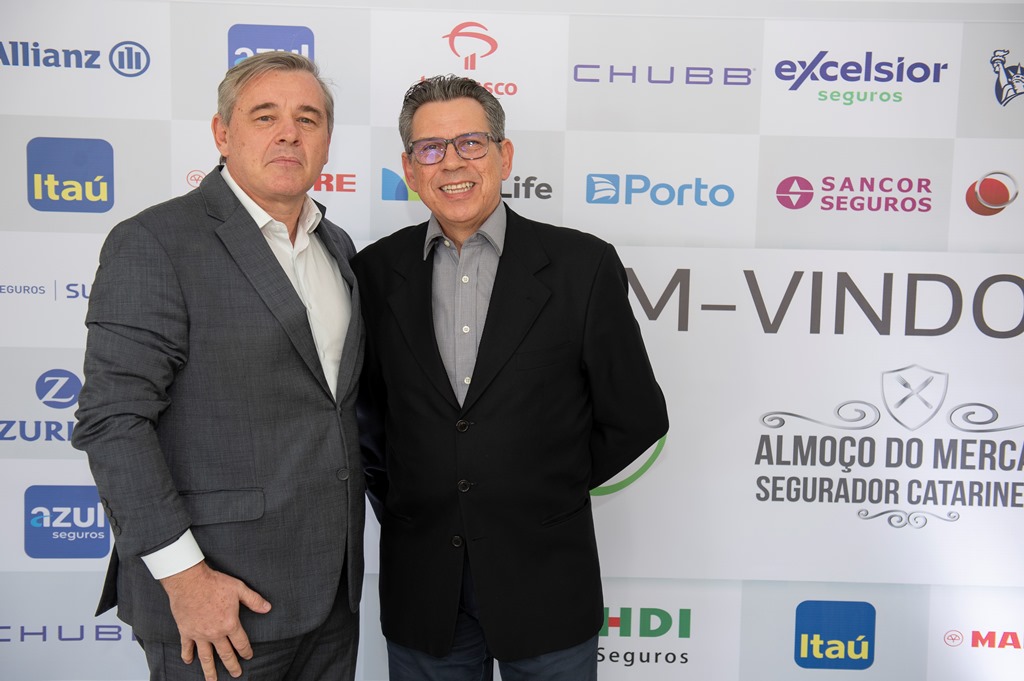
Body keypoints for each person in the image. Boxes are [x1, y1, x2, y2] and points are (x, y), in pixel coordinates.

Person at [353, 75, 669, 680]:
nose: (452, 163)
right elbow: (366, 420)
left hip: (546, 578)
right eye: (431, 148)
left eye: (471, 143)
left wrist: (541, 485)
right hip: (424, 584)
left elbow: (636, 416)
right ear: (410, 169)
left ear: (505, 155)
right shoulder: (373, 272)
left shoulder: (582, 266)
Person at [71, 51, 364, 681]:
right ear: (222, 134)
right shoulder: (156, 242)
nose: (289, 133)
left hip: (331, 598)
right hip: (217, 607)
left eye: (307, 118)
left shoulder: (336, 246)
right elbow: (113, 421)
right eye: (265, 116)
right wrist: (185, 578)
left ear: (326, 140)